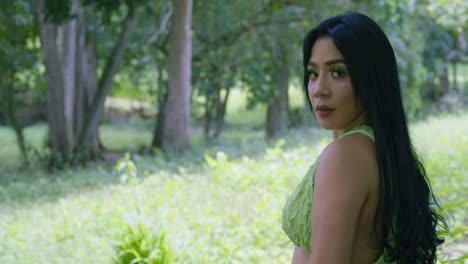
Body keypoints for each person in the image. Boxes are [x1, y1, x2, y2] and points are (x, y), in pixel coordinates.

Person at [281, 12, 447, 263]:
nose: (319, 90)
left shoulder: (346, 156)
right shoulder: (381, 148)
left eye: (338, 72)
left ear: (371, 79)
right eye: (313, 73)